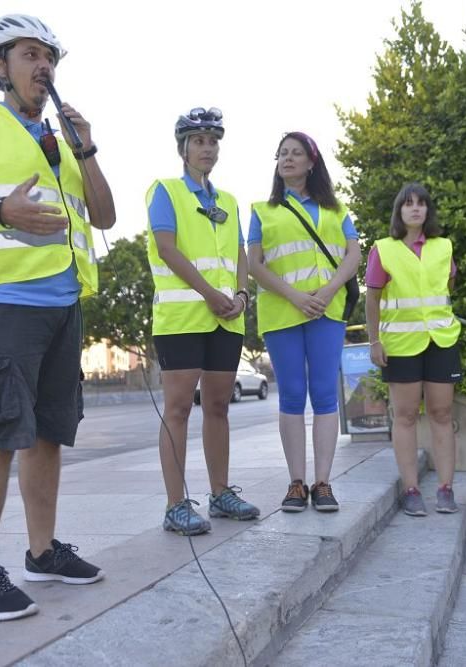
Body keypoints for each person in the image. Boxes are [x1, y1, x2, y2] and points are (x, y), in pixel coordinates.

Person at [0, 14, 116, 621]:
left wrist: (85, 150)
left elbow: (106, 215)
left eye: (50, 59)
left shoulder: (59, 142)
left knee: (47, 434)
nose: (44, 68)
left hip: (62, 305)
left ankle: (43, 551)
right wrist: (3, 211)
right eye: (30, 55)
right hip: (1, 303)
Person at [146, 107, 260, 536]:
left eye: (213, 141)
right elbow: (167, 249)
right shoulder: (165, 191)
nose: (207, 148)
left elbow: (240, 255)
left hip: (226, 320)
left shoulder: (228, 200)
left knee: (217, 407)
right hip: (181, 318)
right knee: (177, 409)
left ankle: (221, 493)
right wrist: (210, 294)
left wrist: (243, 295)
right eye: (198, 141)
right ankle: (175, 505)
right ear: (184, 148)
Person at [248, 131, 361, 513]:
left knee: (325, 394)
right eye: (282, 153)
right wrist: (296, 297)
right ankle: (296, 483)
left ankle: (323, 482)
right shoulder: (262, 211)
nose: (288, 159)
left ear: (312, 163)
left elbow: (353, 255)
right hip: (282, 313)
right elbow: (254, 265)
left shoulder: (336, 209)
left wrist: (328, 291)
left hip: (326, 311)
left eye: (296, 153)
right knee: (293, 395)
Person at [365, 183, 462, 516]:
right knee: (405, 416)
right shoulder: (383, 249)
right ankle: (411, 490)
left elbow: (447, 286)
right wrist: (374, 340)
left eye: (421, 204)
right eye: (408, 204)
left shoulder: (443, 247)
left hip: (441, 341)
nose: (415, 209)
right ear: (399, 211)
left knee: (442, 414)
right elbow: (373, 297)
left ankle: (446, 489)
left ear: (427, 210)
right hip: (401, 345)